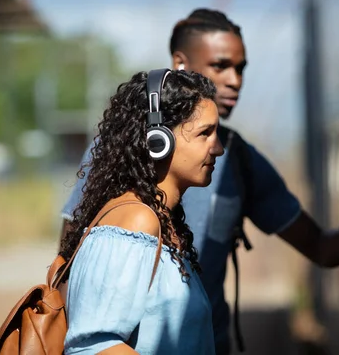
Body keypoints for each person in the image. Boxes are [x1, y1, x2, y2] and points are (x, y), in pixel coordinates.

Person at [60, 9, 339, 354]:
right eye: (220, 66)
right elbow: (79, 291)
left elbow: (321, 247)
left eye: (241, 68)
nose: (235, 80)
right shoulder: (122, 159)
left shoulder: (240, 160)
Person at [59, 69, 224, 354]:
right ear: (158, 140)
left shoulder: (163, 221)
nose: (218, 148)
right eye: (204, 133)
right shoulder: (136, 222)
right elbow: (94, 346)